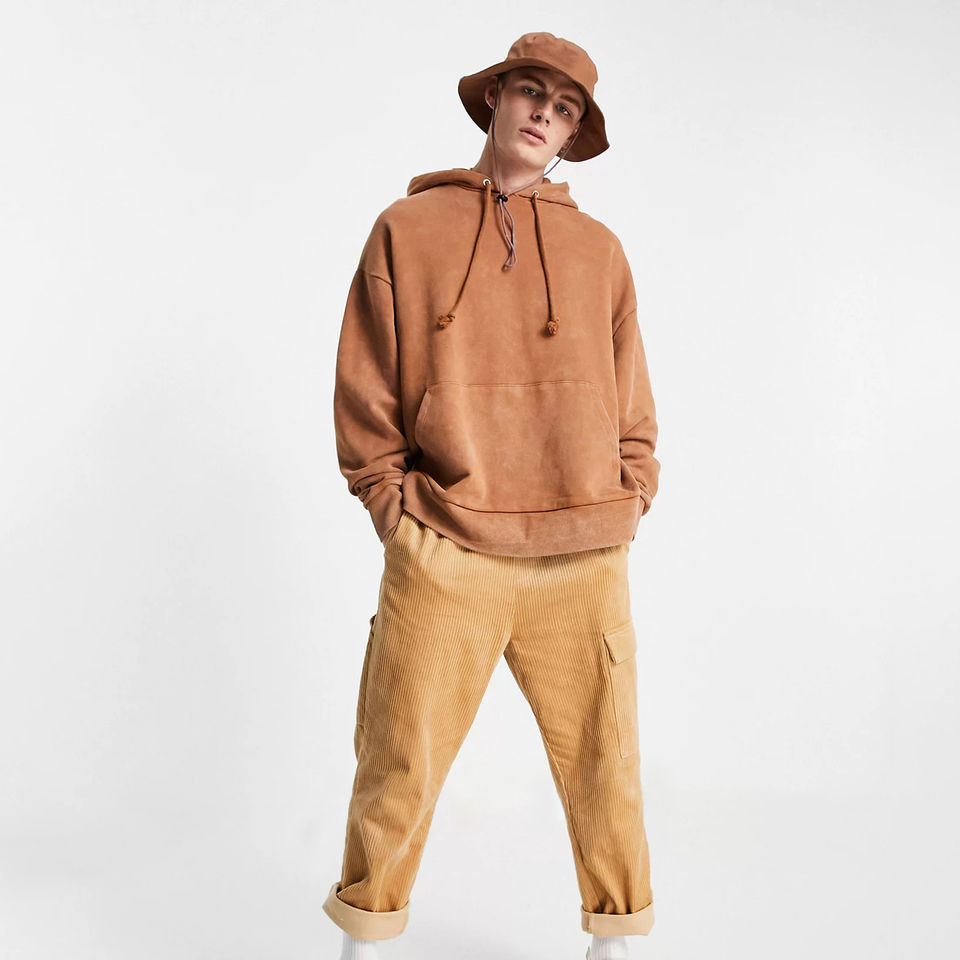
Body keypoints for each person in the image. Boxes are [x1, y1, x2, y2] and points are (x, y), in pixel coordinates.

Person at [325, 32, 660, 960]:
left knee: (607, 767)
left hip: (582, 549)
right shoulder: (407, 227)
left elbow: (632, 391)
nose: (544, 114)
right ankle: (366, 936)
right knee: (398, 759)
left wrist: (632, 490)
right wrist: (391, 505)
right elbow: (366, 380)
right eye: (530, 93)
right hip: (445, 545)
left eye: (565, 108)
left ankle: (616, 939)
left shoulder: (598, 250)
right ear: (496, 100)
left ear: (574, 133)